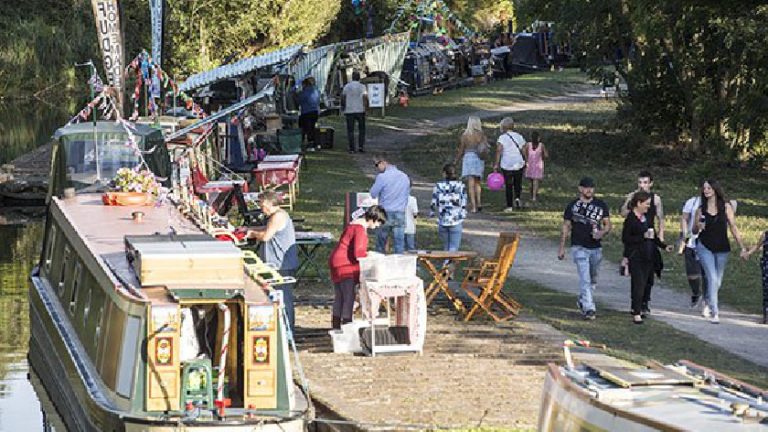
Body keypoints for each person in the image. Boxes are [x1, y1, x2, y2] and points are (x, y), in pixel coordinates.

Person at [692, 179, 746, 324]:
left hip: (722, 247)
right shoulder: (700, 209)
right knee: (712, 277)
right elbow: (694, 230)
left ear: (715, 189)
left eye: (709, 188)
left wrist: (742, 246)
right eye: (704, 188)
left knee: (718, 281)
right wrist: (698, 226)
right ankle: (715, 312)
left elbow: (733, 227)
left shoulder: (726, 207)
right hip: (704, 246)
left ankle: (708, 301)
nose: (706, 190)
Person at [557, 177, 612, 320]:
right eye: (586, 187)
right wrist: (561, 248)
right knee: (585, 278)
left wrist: (602, 232)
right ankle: (589, 308)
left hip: (595, 247)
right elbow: (566, 227)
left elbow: (607, 224)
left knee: (592, 278)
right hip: (579, 246)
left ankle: (582, 300)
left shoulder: (600, 205)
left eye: (591, 187)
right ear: (580, 189)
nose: (589, 190)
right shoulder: (572, 206)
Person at [328, 205, 388, 329]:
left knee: (339, 297)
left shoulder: (353, 224)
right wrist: (371, 256)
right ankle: (347, 326)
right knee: (348, 297)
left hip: (337, 261)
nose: (377, 226)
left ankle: (336, 327)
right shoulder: (360, 229)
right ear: (373, 218)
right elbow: (359, 253)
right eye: (378, 223)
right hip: (346, 265)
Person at [246, 191, 299, 330]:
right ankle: (281, 328)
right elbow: (265, 229)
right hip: (276, 263)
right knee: (276, 296)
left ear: (269, 204)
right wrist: (248, 228)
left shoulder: (278, 216)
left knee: (283, 299)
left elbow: (265, 236)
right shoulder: (274, 217)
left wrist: (251, 233)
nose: (260, 207)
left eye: (262, 204)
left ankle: (288, 332)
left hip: (281, 264)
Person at [620, 170, 666, 315]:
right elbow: (623, 213)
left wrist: (661, 236)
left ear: (651, 184)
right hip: (637, 236)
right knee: (638, 274)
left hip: (650, 237)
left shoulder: (656, 199)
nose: (642, 185)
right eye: (640, 182)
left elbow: (661, 218)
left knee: (650, 273)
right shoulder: (633, 197)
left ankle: (645, 301)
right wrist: (631, 202)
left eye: (645, 182)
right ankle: (637, 305)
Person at [621, 191, 671, 324]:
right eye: (646, 204)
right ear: (639, 203)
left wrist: (664, 246)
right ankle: (636, 312)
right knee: (638, 283)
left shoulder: (646, 219)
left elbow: (652, 235)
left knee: (648, 282)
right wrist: (641, 237)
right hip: (636, 256)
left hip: (649, 255)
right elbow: (626, 238)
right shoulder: (631, 219)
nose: (648, 207)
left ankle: (641, 306)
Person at [370, 155, 410, 254]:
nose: (376, 168)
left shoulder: (382, 177)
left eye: (376, 165)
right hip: (400, 212)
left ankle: (380, 265)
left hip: (385, 212)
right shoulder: (404, 176)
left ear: (383, 162)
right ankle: (399, 265)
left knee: (381, 243)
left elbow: (373, 194)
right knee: (399, 244)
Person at [680, 193, 708, 308]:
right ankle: (696, 293)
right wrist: (684, 239)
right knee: (692, 274)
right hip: (692, 242)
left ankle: (707, 300)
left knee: (707, 273)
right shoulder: (692, 202)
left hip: (709, 244)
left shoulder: (718, 204)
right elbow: (685, 220)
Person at [454, 116, 488, 213]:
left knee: (470, 183)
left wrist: (456, 161)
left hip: (468, 158)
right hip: (479, 158)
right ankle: (479, 203)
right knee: (478, 182)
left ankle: (473, 206)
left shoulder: (465, 135)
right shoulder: (481, 135)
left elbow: (461, 150)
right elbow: (485, 147)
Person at [431, 163, 467, 251]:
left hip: (443, 219)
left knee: (446, 246)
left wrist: (432, 214)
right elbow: (463, 203)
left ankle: (446, 262)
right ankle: (449, 262)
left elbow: (434, 202)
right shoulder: (460, 186)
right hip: (456, 220)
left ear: (444, 173)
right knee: (454, 247)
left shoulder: (438, 186)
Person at [493, 117, 526, 212]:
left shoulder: (502, 138)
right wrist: (526, 160)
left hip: (506, 163)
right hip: (518, 162)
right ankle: (518, 198)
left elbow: (499, 151)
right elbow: (523, 150)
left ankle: (509, 206)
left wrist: (496, 164)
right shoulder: (519, 136)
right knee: (518, 183)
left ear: (503, 126)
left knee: (508, 185)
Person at [742, 230, 768, 324]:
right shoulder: (765, 234)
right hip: (766, 266)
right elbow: (758, 246)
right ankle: (766, 316)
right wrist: (748, 253)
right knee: (766, 290)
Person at [341, 71, 368, 153]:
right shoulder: (362, 87)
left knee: (350, 130)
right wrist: (366, 108)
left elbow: (343, 97)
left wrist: (343, 106)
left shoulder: (347, 86)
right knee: (361, 129)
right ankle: (361, 147)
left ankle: (352, 148)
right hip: (360, 109)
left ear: (352, 77)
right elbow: (365, 98)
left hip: (349, 110)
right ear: (359, 77)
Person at [296, 77, 320, 149]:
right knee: (312, 128)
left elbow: (299, 101)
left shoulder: (304, 92)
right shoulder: (316, 91)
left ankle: (307, 143)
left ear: (305, 84)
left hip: (306, 112)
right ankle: (313, 143)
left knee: (304, 128)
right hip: (315, 111)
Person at [523, 131, 548, 203]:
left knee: (531, 181)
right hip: (538, 165)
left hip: (530, 164)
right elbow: (546, 155)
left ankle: (532, 194)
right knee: (535, 181)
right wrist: (542, 156)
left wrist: (526, 158)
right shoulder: (541, 145)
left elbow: (523, 151)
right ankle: (534, 196)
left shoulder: (528, 145)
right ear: (538, 138)